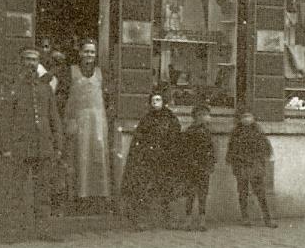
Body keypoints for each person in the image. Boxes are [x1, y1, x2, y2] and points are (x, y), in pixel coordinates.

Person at [0, 45, 64, 241]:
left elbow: (54, 118)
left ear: (38, 63)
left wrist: (58, 145)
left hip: (43, 146)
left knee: (43, 189)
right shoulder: (13, 88)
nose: (31, 64)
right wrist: (7, 147)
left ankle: (43, 230)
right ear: (21, 62)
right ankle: (14, 231)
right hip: (20, 146)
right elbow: (6, 119)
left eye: (34, 60)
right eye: (27, 59)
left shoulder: (45, 88)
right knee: (16, 189)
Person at [120, 87, 181, 229]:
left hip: (166, 158)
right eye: (153, 100)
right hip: (148, 159)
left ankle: (168, 218)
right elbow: (140, 139)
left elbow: (175, 138)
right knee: (144, 188)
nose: (156, 103)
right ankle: (142, 219)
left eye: (158, 100)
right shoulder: (146, 119)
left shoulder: (171, 119)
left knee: (167, 189)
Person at [63, 38, 111, 213]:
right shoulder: (72, 72)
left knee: (98, 158)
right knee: (79, 158)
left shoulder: (100, 73)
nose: (89, 55)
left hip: (98, 122)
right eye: (86, 51)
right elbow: (64, 98)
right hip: (79, 121)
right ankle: (78, 197)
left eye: (92, 52)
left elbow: (107, 99)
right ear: (80, 53)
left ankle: (98, 198)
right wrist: (69, 121)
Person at [225, 108, 277, 228]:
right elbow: (231, 150)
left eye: (249, 116)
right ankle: (245, 217)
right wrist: (235, 161)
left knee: (260, 192)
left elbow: (266, 148)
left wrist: (260, 160)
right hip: (241, 165)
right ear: (240, 119)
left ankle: (267, 218)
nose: (246, 119)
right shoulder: (236, 132)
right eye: (244, 117)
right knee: (243, 192)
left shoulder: (258, 131)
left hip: (255, 165)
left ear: (253, 118)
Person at [175, 102, 216, 231]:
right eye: (203, 115)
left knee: (203, 194)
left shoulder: (209, 131)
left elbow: (213, 149)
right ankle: (188, 220)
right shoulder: (190, 131)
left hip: (204, 167)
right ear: (196, 117)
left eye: (206, 114)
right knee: (190, 194)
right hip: (192, 167)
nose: (206, 117)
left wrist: (211, 163)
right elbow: (184, 150)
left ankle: (202, 220)